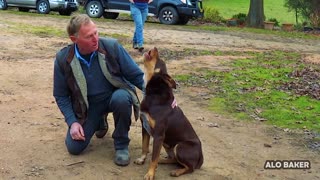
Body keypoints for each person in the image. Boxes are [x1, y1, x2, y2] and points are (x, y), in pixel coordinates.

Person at [53, 14, 145, 166]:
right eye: (89, 36)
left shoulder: (112, 47)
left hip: (113, 96)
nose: (95, 38)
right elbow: (60, 95)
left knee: (122, 99)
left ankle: (121, 145)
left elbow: (136, 75)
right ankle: (99, 121)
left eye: (96, 32)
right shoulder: (63, 59)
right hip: (88, 107)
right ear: (74, 39)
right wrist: (73, 122)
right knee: (74, 148)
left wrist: (160, 93)